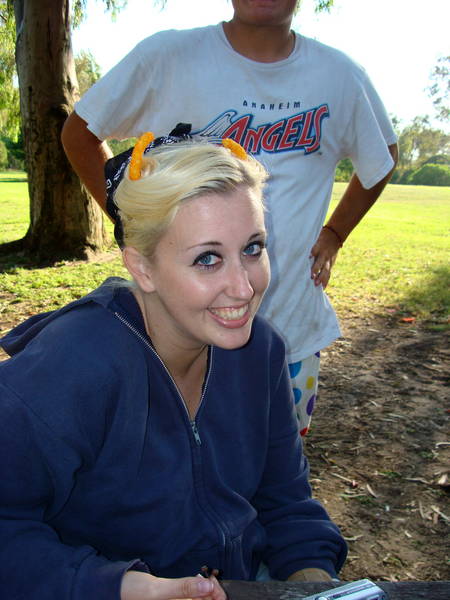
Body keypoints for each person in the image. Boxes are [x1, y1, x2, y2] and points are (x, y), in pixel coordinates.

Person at [0, 138, 347, 600]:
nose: (243, 288)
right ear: (142, 267)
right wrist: (128, 587)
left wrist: (313, 580)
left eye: (252, 248)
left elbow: (285, 501)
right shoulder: (73, 366)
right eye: (208, 259)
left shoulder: (259, 351)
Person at [61, 0, 398, 436]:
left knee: (276, 463)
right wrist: (135, 223)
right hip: (176, 339)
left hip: (291, 328)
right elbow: (80, 133)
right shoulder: (167, 57)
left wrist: (335, 231)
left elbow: (382, 155)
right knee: (171, 462)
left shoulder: (340, 76)